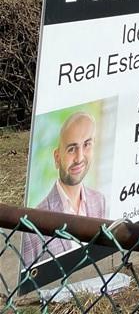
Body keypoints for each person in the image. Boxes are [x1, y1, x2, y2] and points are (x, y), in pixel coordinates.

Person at [21, 112, 108, 268]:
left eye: (86, 144)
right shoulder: (33, 223)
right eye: (71, 149)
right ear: (57, 158)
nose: (80, 158)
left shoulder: (99, 201)